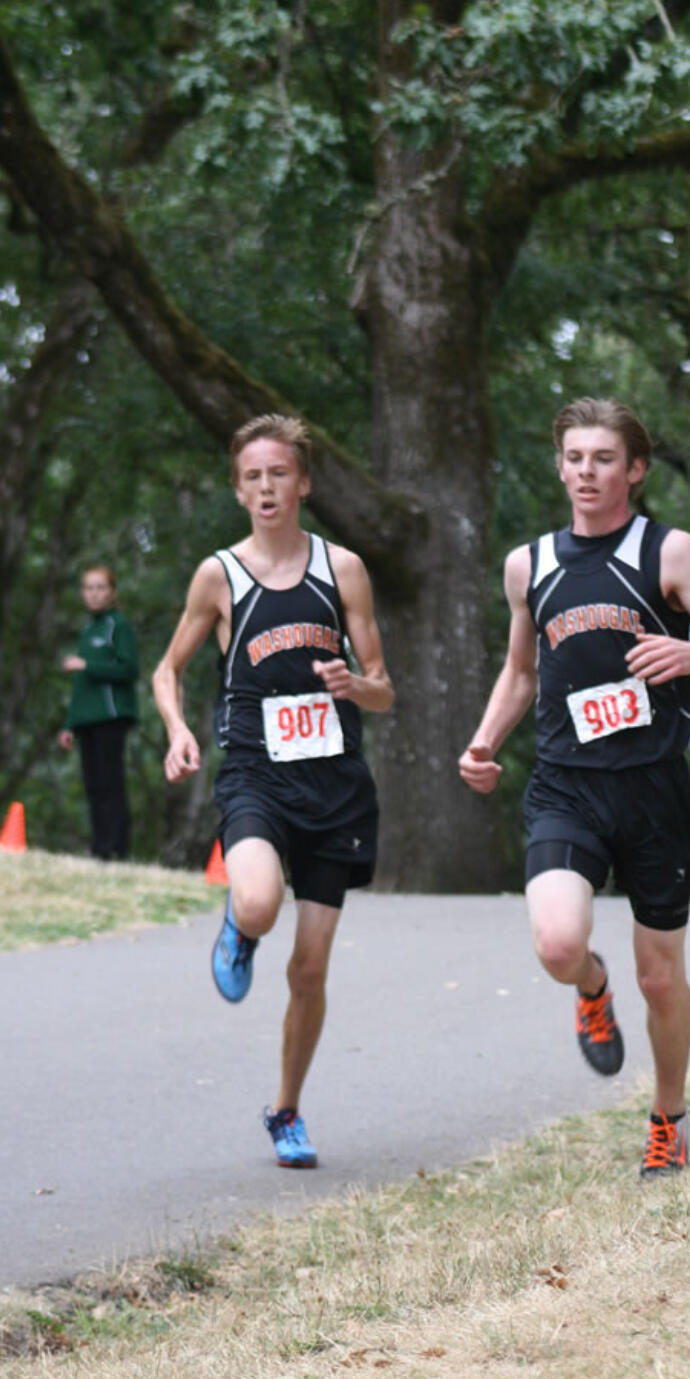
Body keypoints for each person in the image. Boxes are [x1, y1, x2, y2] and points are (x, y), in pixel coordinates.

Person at [459, 398, 690, 1178]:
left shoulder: (670, 552)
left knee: (661, 977)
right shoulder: (529, 565)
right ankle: (591, 985)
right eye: (575, 457)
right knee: (557, 941)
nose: (587, 471)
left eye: (603, 458)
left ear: (635, 469)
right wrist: (486, 738)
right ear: (559, 466)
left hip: (654, 789)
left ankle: (669, 1115)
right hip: (567, 785)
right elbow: (522, 671)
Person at [152, 413, 394, 1170]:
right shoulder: (220, 575)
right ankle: (238, 927)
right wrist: (178, 729)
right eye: (253, 476)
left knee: (310, 970)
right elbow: (169, 669)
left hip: (336, 787)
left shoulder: (342, 569)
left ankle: (285, 1109)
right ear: (237, 488)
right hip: (257, 774)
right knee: (257, 901)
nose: (267, 487)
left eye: (279, 473)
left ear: (304, 482)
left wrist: (355, 683)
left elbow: (385, 690)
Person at [58, 565, 139, 862]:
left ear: (112, 592)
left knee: (110, 783)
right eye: (88, 588)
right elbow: (79, 687)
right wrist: (69, 724)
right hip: (86, 720)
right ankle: (99, 847)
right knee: (92, 785)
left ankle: (117, 848)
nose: (93, 594)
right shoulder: (87, 630)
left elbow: (129, 669)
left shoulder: (118, 626)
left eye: (100, 588)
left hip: (111, 716)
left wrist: (87, 666)